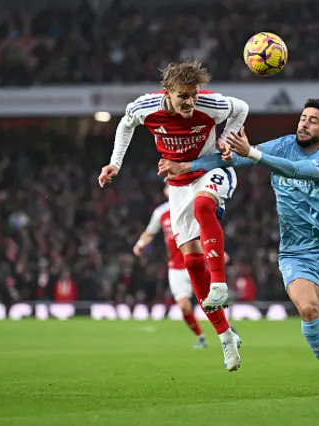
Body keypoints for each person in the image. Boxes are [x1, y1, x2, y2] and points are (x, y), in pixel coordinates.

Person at [158, 98, 319, 396]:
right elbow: (233, 159)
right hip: (295, 254)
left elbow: (294, 170)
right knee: (308, 309)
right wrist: (188, 164)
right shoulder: (284, 144)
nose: (304, 123)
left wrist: (255, 154)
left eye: (313, 120)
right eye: (302, 117)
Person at [98, 59, 248, 372]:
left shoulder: (211, 104)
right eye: (183, 96)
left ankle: (219, 283)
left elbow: (242, 107)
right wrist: (115, 164)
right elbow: (125, 124)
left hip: (211, 170)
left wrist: (227, 138)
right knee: (192, 262)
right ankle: (225, 336)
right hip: (178, 183)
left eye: (194, 94)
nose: (190, 101)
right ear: (168, 92)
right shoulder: (146, 107)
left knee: (204, 206)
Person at [133, 185, 207, 349]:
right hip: (176, 267)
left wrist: (217, 251)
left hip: (197, 261)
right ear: (165, 192)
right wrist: (140, 244)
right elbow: (149, 232)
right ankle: (200, 336)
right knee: (183, 305)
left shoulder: (191, 206)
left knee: (212, 301)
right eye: (168, 187)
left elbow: (206, 230)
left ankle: (227, 330)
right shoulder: (160, 213)